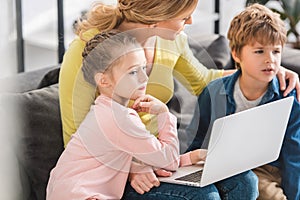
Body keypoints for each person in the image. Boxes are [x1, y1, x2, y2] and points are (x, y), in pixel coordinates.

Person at [58, 0, 297, 196]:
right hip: (117, 171)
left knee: (246, 182)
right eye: (184, 16)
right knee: (205, 197)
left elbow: (205, 79)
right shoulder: (89, 48)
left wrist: (268, 70)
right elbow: (77, 134)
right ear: (159, 13)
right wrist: (132, 167)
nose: (191, 21)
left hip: (163, 155)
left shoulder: (171, 40)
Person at [47, 31, 211, 199]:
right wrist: (163, 114)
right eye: (133, 72)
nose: (144, 77)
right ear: (103, 81)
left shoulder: (108, 111)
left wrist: (194, 157)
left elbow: (158, 160)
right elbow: (168, 160)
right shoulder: (118, 119)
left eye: (143, 68)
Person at [187, 3, 300, 200]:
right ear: (236, 54)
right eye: (259, 51)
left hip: (269, 168)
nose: (270, 60)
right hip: (223, 166)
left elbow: (294, 152)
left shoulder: (287, 95)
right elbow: (196, 139)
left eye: (276, 51)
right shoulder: (215, 92)